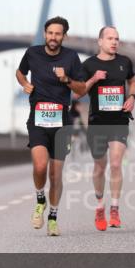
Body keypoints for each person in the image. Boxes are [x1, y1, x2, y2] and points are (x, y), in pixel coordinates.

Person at [16, 17, 89, 236]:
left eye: (58, 34)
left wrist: (66, 79)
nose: (53, 37)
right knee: (40, 167)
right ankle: (40, 200)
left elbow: (82, 89)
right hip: (37, 120)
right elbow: (20, 72)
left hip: (61, 123)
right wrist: (25, 84)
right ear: (45, 33)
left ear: (63, 36)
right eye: (50, 33)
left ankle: (53, 218)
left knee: (56, 175)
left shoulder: (71, 57)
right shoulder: (33, 53)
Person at [80, 27, 135, 231]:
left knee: (115, 164)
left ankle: (114, 209)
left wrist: (132, 97)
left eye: (117, 39)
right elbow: (79, 92)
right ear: (100, 41)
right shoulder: (88, 65)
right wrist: (94, 79)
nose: (114, 42)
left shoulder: (124, 62)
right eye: (110, 38)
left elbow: (132, 80)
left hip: (119, 121)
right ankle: (99, 206)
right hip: (97, 122)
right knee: (99, 167)